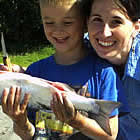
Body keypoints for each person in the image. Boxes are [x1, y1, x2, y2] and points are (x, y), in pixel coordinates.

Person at [0, 0, 129, 140]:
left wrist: (75, 119)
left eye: (67, 22)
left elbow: (110, 136)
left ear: (85, 24)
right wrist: (20, 122)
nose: (57, 30)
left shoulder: (103, 73)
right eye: (49, 23)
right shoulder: (34, 71)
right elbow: (29, 135)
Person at [84, 0, 140, 139]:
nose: (105, 33)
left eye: (116, 21)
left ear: (136, 27)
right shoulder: (84, 48)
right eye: (97, 19)